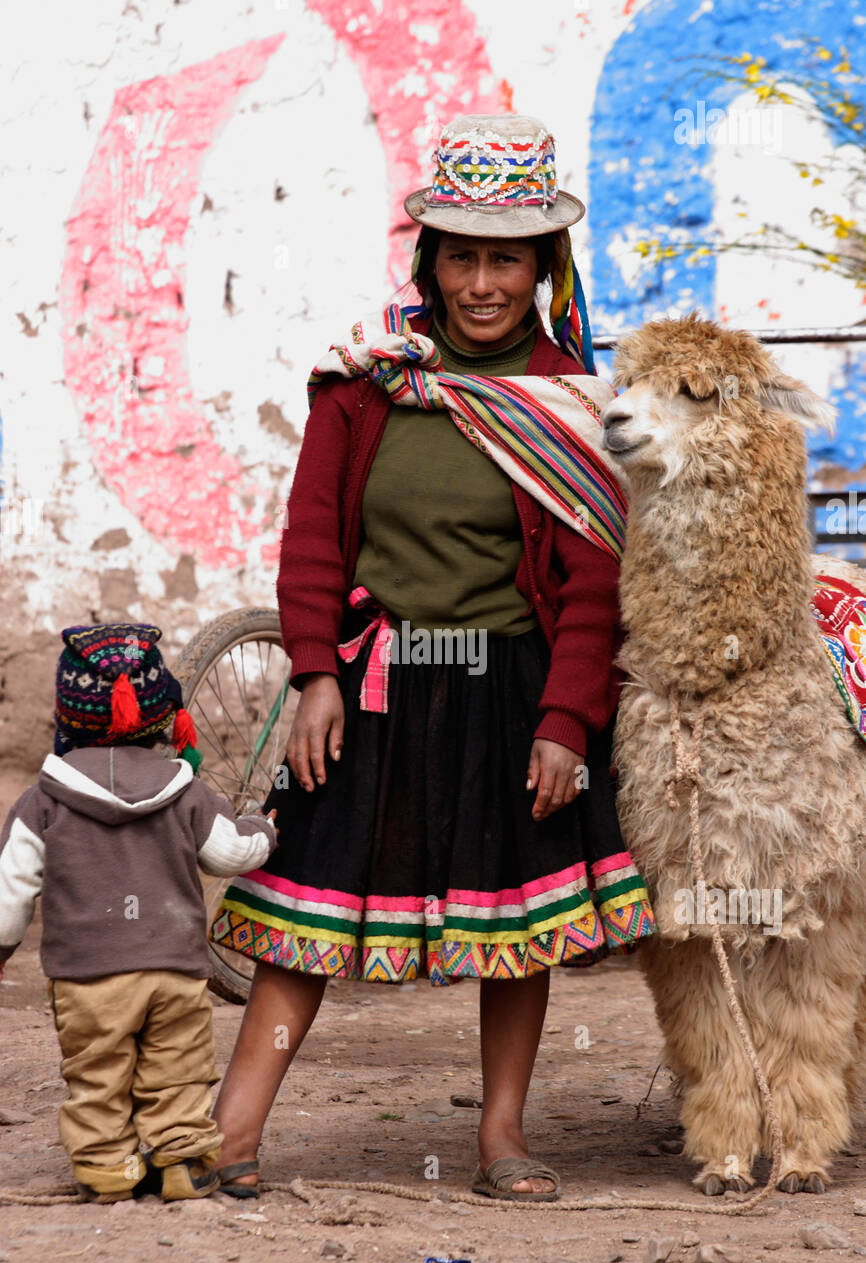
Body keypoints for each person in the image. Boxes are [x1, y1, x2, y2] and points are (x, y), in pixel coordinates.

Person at [210, 114, 654, 1202]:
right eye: (461, 254)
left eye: (506, 257)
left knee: (516, 922)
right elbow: (312, 539)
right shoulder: (365, 385)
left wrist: (564, 721)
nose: (482, 282)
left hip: (505, 690)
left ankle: (500, 1133)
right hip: (368, 687)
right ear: (430, 260)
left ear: (542, 266)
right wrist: (314, 670)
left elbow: (593, 589)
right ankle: (229, 1131)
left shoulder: (568, 409)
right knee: (301, 911)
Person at [0, 622, 277, 1203]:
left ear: (67, 717)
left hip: (86, 978)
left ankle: (106, 1169)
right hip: (173, 969)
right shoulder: (187, 791)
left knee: (97, 1076)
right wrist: (265, 829)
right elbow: (231, 852)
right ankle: (181, 1163)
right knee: (177, 1069)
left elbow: (10, 893)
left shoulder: (42, 801)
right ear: (160, 716)